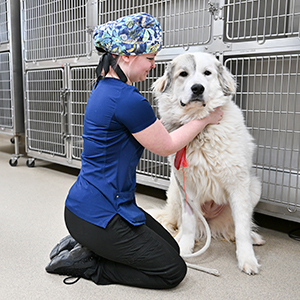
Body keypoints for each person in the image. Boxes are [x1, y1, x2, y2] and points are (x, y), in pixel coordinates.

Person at [45, 12, 223, 289]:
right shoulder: (127, 99)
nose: (153, 66)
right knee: (172, 271)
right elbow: (166, 145)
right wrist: (204, 119)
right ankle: (91, 263)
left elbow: (153, 129)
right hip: (99, 215)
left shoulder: (106, 88)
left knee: (171, 250)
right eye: (150, 58)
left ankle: (88, 244)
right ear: (127, 56)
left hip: (93, 206)